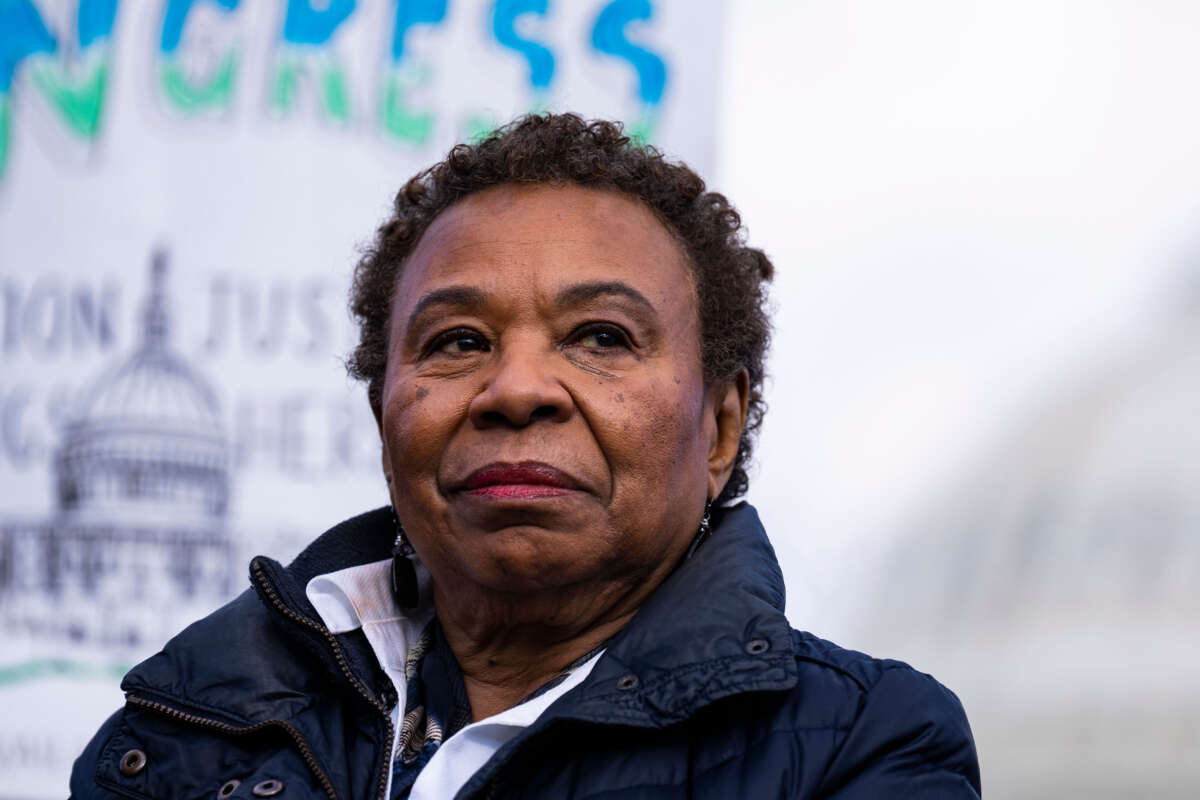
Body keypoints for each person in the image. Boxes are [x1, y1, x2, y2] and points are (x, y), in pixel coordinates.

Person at [70, 114, 981, 799]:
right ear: (382, 412)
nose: (516, 388)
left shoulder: (866, 743)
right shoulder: (183, 734)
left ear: (721, 426)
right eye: (457, 341)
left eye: (600, 335)